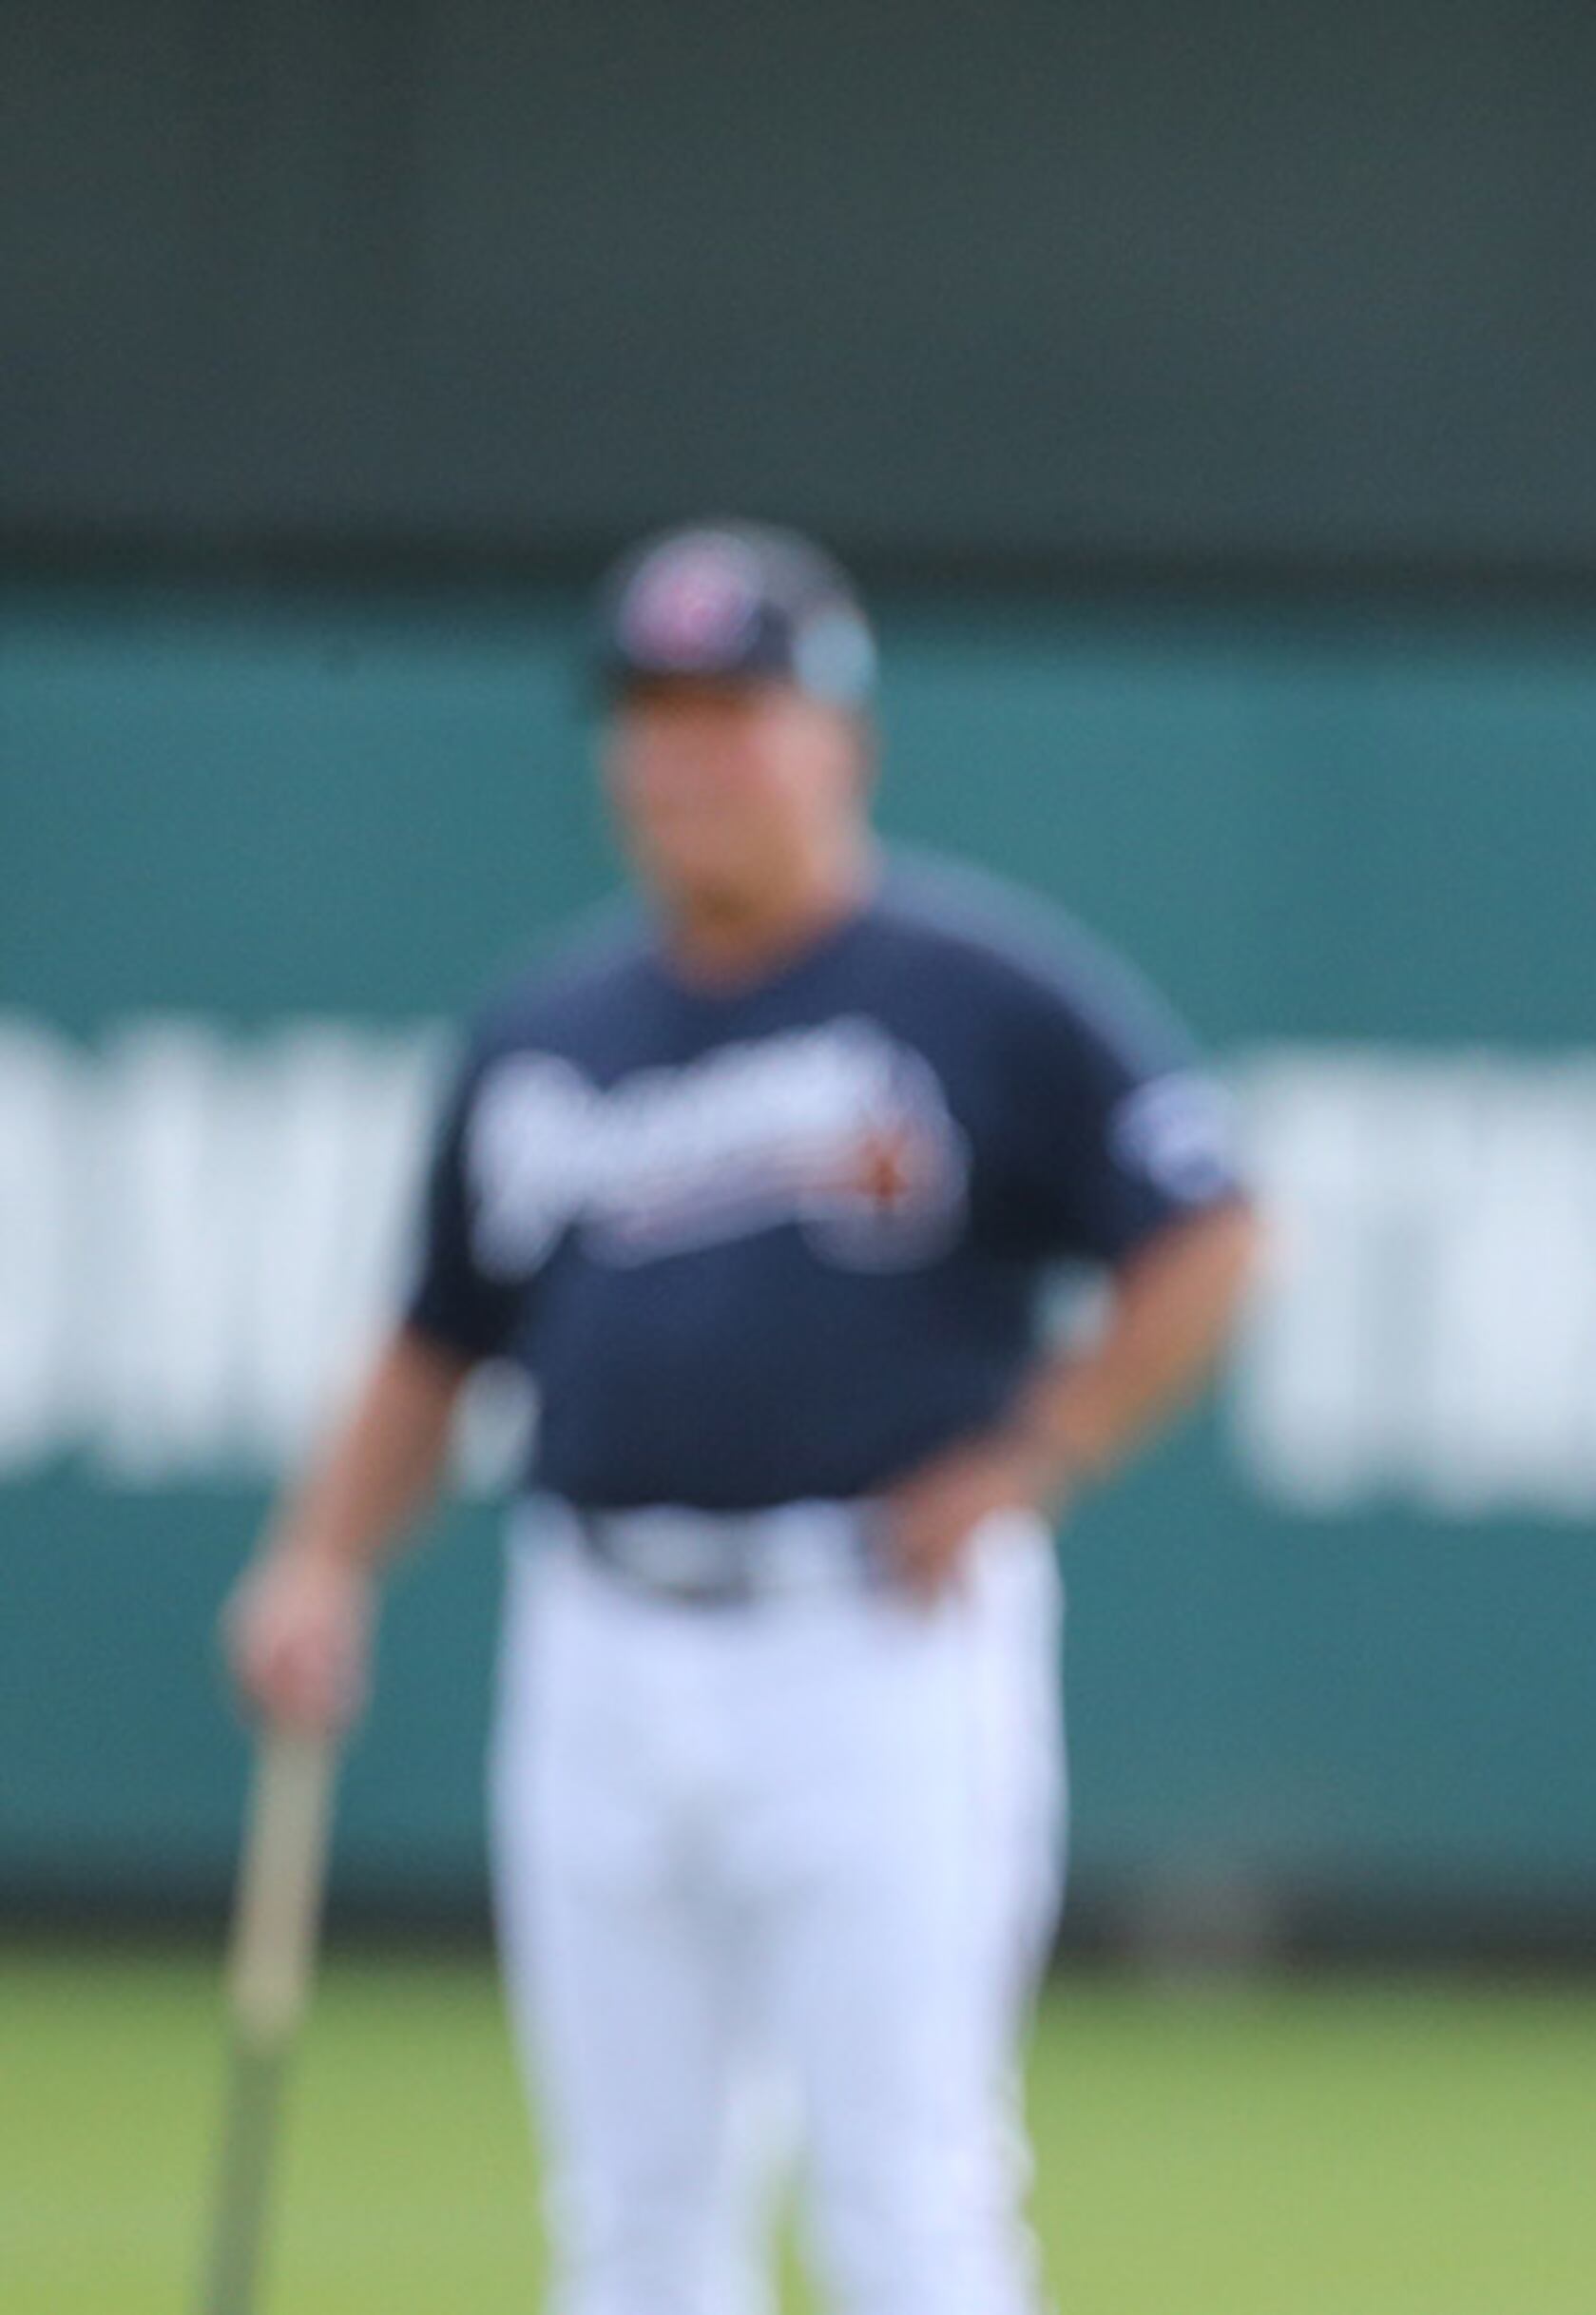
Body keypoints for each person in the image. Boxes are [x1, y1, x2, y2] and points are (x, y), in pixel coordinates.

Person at [224, 518, 1259, 2315]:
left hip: (871, 1641)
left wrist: (1036, 1450)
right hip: (598, 1641)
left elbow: (1212, 1230)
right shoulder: (547, 1028)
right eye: (652, 713)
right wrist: (317, 1560)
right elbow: (435, 1341)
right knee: (631, 2220)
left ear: (837, 741)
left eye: (734, 709)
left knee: (908, 2199)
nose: (685, 754)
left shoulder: (975, 988)